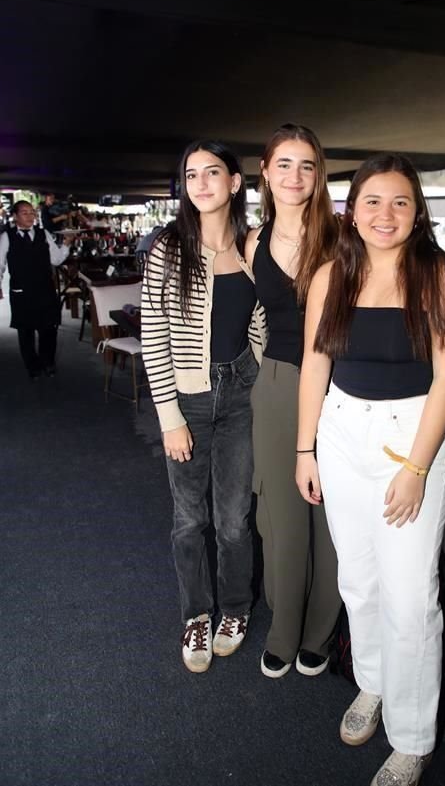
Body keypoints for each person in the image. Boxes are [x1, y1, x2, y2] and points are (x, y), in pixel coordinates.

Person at [296, 154, 445, 786]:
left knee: (411, 598)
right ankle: (371, 683)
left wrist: (419, 468)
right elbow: (316, 367)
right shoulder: (330, 276)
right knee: (360, 582)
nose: (385, 214)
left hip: (410, 438)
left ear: (417, 211)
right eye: (372, 201)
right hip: (341, 432)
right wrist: (304, 449)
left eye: (399, 202)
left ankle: (414, 735)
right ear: (353, 210)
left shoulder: (440, 278)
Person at [141, 140, 267, 673]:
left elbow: (265, 315)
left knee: (235, 519)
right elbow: (153, 335)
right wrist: (169, 417)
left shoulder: (254, 246)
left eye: (212, 172)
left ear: (235, 182)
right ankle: (197, 613)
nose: (201, 183)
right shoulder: (168, 250)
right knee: (189, 519)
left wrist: (257, 367)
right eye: (191, 174)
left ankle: (234, 609)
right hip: (188, 399)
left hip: (241, 393)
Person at [245, 122, 341, 679]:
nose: (295, 175)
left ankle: (320, 631)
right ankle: (283, 630)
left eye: (306, 165)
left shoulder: (340, 237)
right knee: (280, 512)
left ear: (318, 173)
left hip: (340, 384)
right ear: (265, 171)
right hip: (279, 381)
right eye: (284, 163)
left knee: (329, 515)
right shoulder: (252, 241)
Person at [0, 201, 72, 378]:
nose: (30, 216)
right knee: (26, 331)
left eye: (32, 212)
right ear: (15, 216)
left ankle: (48, 363)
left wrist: (67, 245)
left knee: (49, 328)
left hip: (44, 289)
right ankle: (32, 366)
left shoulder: (43, 233)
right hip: (21, 290)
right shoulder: (7, 236)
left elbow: (56, 259)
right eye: (25, 213)